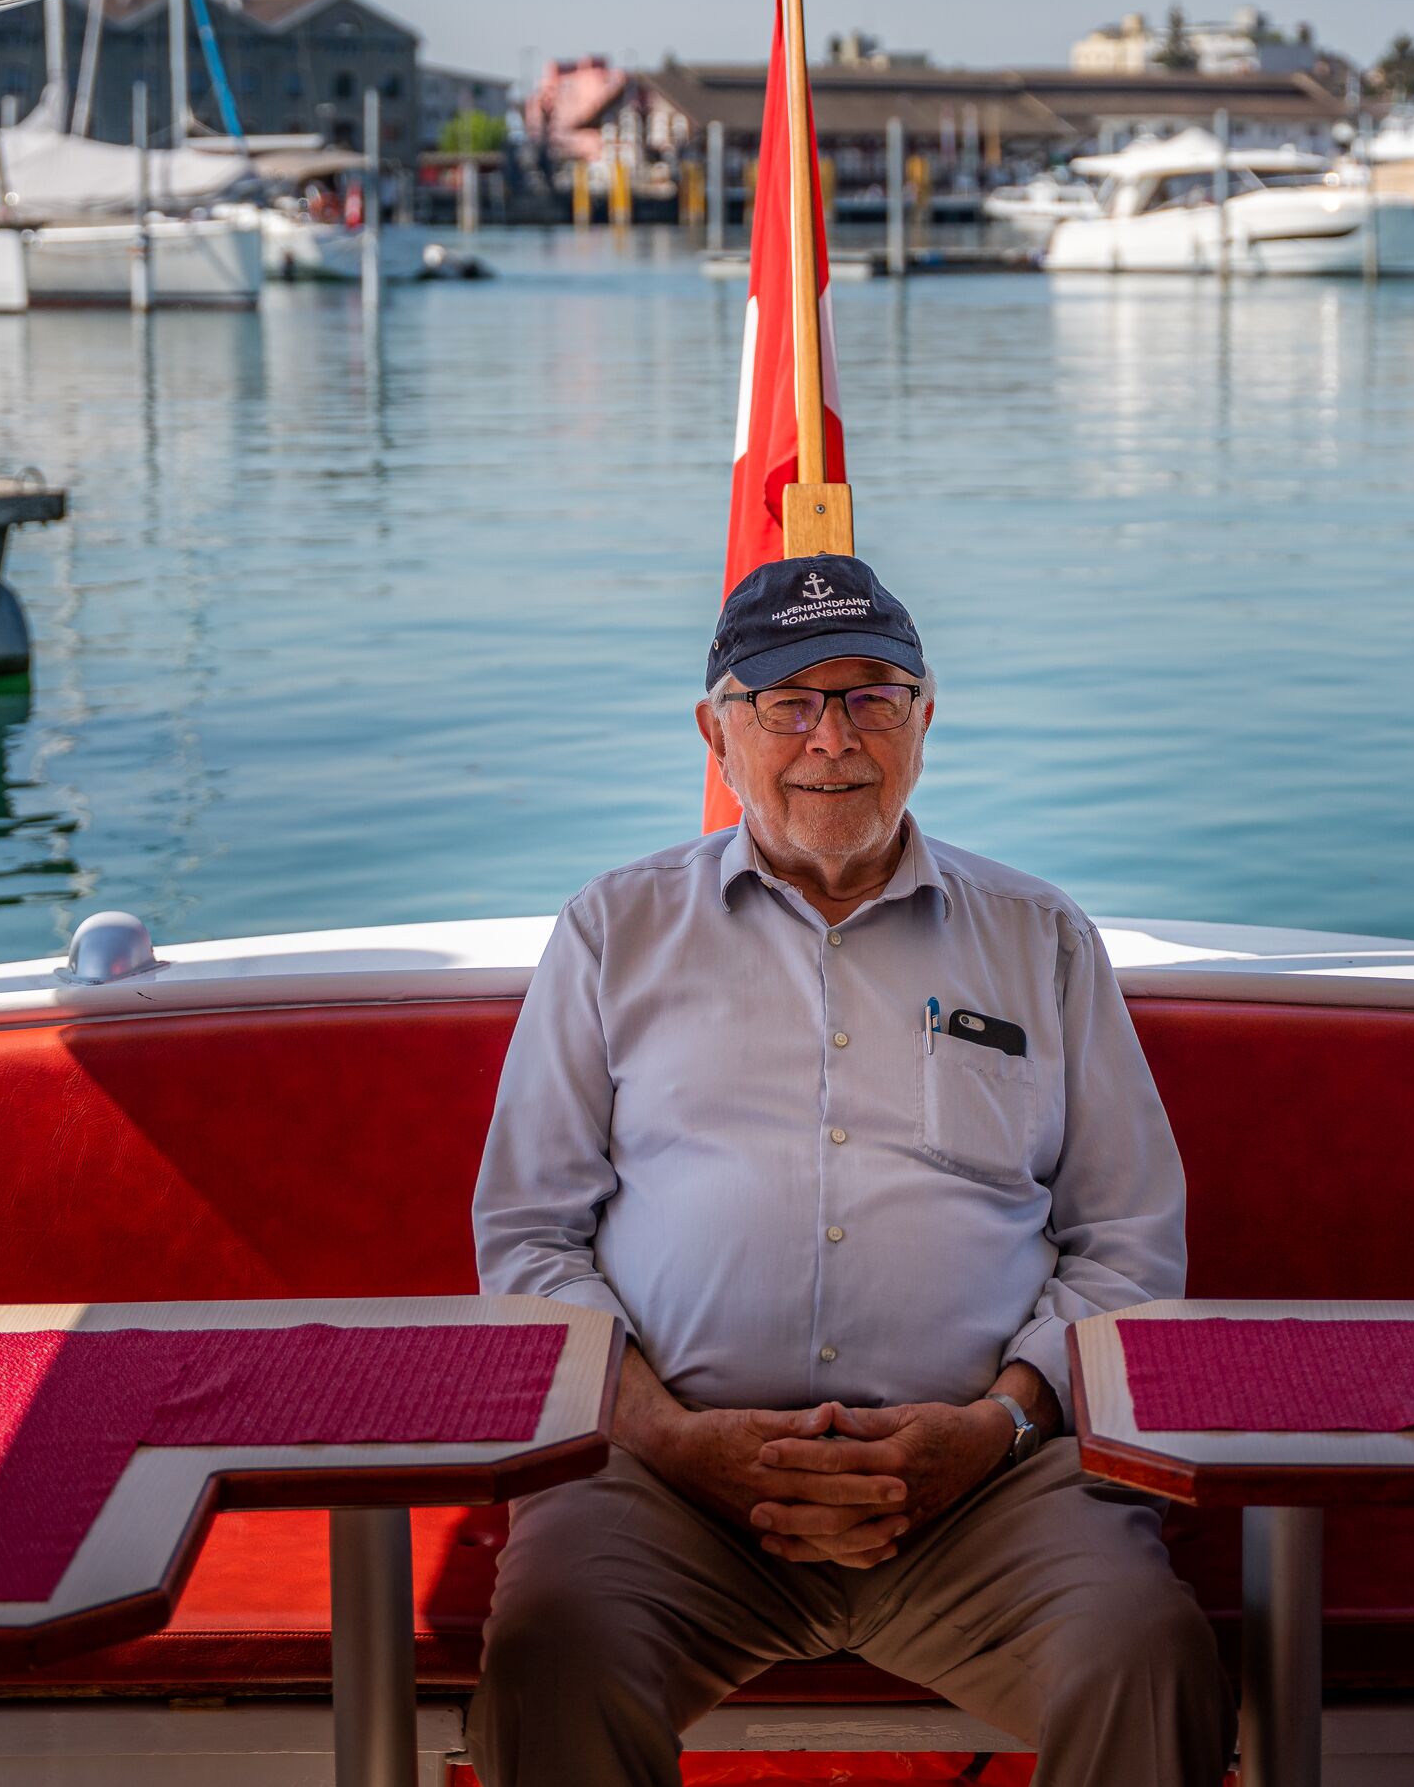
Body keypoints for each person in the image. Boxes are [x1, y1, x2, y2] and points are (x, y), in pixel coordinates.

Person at [468, 553, 1225, 1787]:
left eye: (872, 696)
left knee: (1144, 1656)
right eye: (787, 702)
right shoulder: (612, 930)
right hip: (663, 1481)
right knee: (551, 1654)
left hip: (990, 1484)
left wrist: (996, 1424)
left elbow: (1126, 1241)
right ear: (716, 731)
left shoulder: (1039, 938)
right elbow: (528, 1234)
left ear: (923, 721)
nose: (833, 738)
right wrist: (667, 1434)